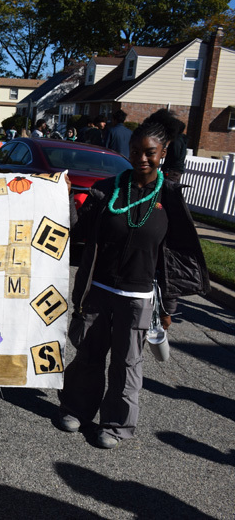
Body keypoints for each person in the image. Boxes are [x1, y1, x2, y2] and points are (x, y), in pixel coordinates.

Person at [57, 114, 209, 448]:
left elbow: (173, 257)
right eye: (136, 151)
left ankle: (116, 425)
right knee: (88, 355)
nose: (141, 158)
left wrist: (168, 307)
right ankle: (76, 409)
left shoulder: (169, 197)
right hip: (98, 289)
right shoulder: (107, 189)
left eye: (149, 152)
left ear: (163, 153)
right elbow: (78, 231)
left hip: (138, 297)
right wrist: (66, 197)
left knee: (127, 364)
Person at [151, 108, 188, 183]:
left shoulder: (176, 140)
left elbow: (175, 154)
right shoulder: (182, 140)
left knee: (169, 185)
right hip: (176, 169)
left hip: (172, 169)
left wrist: (166, 155)